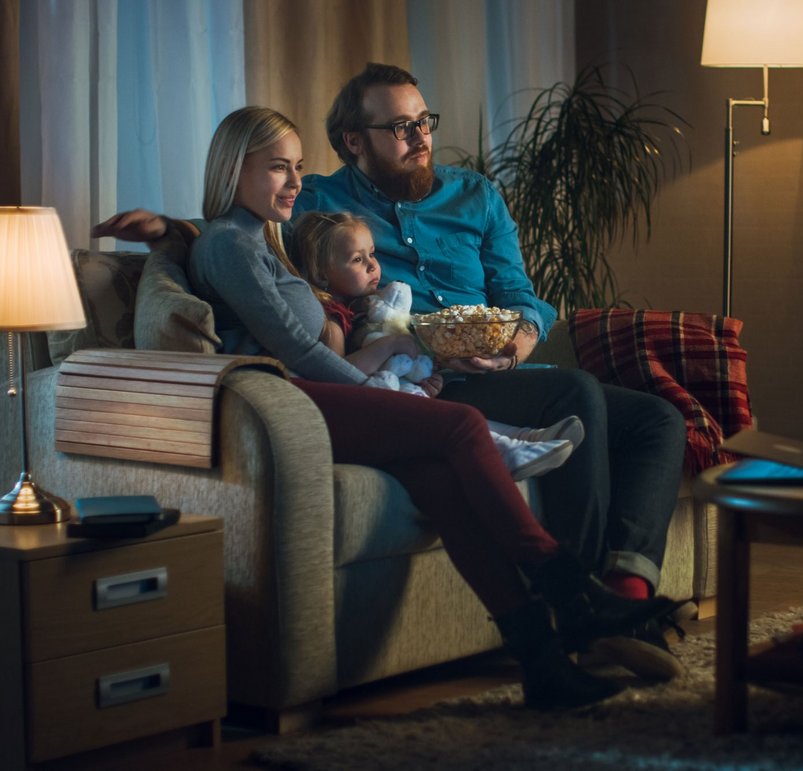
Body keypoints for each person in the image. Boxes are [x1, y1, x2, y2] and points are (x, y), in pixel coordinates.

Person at [97, 105, 687, 709]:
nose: (296, 182)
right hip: (285, 401)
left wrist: (172, 227)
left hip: (312, 394)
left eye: (298, 167)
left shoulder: (256, 237)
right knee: (457, 424)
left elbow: (213, 242)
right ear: (233, 168)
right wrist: (382, 396)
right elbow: (295, 347)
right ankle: (570, 592)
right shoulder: (229, 243)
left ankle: (542, 663)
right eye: (279, 168)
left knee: (440, 479)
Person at [290, 63, 689, 666]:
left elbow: (520, 293)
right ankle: (579, 617)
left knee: (658, 420)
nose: (421, 138)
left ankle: (623, 593)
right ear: (354, 140)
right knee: (576, 393)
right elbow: (234, 226)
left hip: (503, 373)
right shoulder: (319, 201)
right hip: (424, 386)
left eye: (424, 121)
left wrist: (519, 344)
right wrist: (171, 234)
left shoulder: (474, 194)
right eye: (400, 127)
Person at [291, 208, 583, 482]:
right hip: (370, 412)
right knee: (449, 418)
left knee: (438, 405)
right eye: (357, 260)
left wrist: (424, 374)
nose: (372, 266)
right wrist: (390, 345)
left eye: (372, 254)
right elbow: (337, 378)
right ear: (321, 274)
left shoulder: (367, 310)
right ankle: (509, 451)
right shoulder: (331, 322)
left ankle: (527, 438)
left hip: (394, 391)